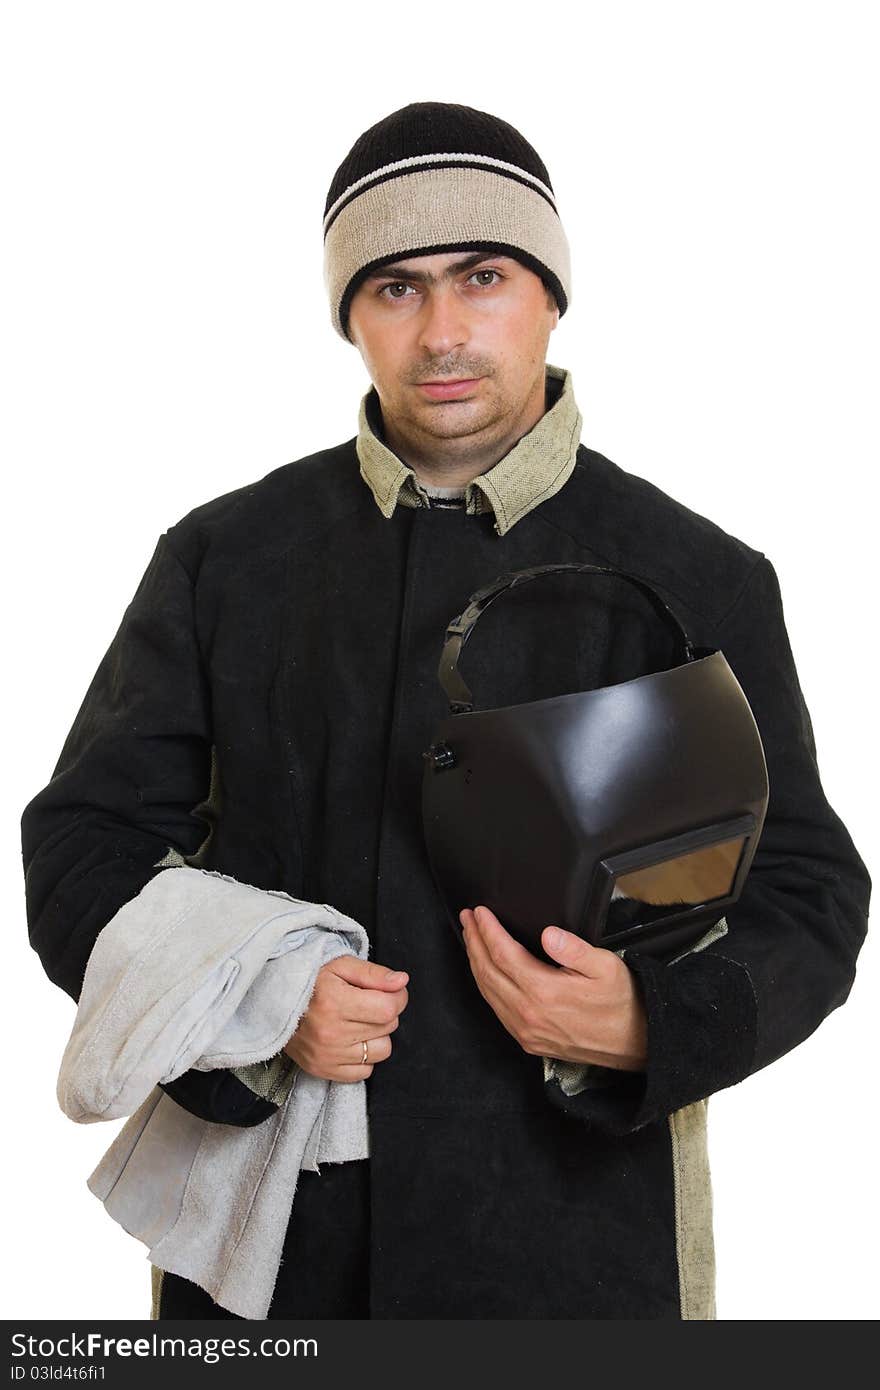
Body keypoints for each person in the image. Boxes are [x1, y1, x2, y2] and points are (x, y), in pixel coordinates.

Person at [21, 101, 871, 1321]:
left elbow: (806, 893)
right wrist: (257, 1004)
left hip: (580, 1237)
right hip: (282, 1251)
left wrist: (650, 1019)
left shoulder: (702, 573)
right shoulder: (225, 559)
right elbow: (80, 850)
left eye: (482, 275)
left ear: (550, 295)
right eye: (394, 289)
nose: (441, 331)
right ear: (349, 317)